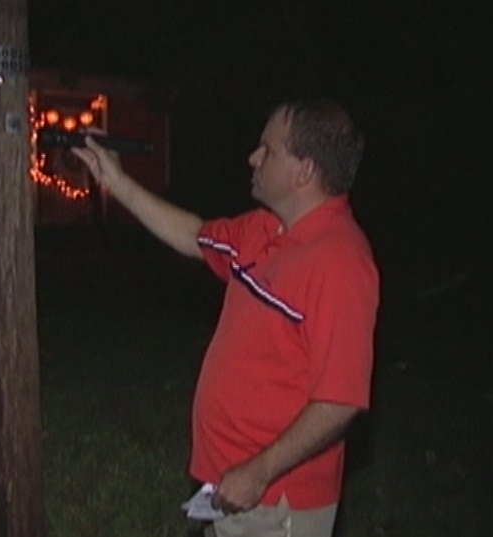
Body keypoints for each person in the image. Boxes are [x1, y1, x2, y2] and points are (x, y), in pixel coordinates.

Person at [72, 99, 379, 537]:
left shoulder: (341, 263)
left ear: (304, 171)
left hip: (275, 502)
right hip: (230, 486)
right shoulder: (265, 230)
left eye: (267, 150)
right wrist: (117, 183)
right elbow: (193, 235)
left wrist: (258, 471)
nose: (253, 158)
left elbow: (340, 401)